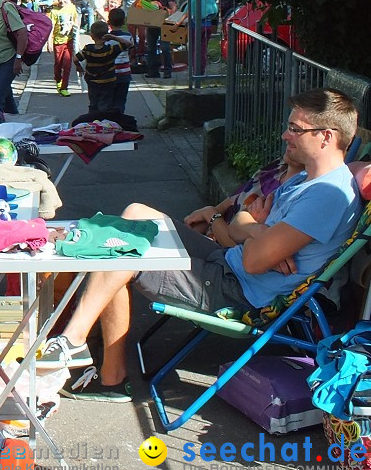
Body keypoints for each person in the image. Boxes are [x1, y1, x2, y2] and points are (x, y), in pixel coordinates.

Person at [37, 89, 363, 403]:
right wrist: (259, 233)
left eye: (295, 129)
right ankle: (84, 337)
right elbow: (240, 225)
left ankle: (90, 356)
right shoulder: (303, 180)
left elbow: (251, 257)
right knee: (138, 213)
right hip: (227, 263)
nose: (285, 135)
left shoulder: (326, 196)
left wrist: (254, 234)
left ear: (326, 137)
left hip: (238, 292)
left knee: (121, 251)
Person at [74, 21, 122, 114]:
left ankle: (92, 120)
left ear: (91, 36)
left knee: (93, 102)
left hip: (92, 81)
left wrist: (78, 67)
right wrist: (113, 37)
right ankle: (103, 121)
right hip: (108, 81)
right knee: (106, 103)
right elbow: (128, 43)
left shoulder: (88, 49)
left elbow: (75, 59)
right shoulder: (111, 49)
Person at [143, 0, 177, 79]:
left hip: (163, 24)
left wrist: (170, 15)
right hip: (152, 24)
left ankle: (167, 71)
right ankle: (153, 71)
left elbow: (173, 6)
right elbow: (140, 3)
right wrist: (151, 7)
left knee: (165, 47)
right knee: (150, 48)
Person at [50, 0, 79, 97]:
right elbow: (51, 27)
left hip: (69, 40)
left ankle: (64, 87)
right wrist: (49, 42)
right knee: (58, 64)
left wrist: (76, 32)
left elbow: (76, 20)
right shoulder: (54, 11)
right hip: (58, 41)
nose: (61, 0)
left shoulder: (72, 8)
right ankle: (58, 79)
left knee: (67, 64)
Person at [106, 8, 134, 114]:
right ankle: (119, 119)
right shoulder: (128, 37)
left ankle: (108, 121)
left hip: (110, 73)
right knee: (121, 100)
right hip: (124, 73)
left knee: (109, 99)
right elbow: (132, 51)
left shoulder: (106, 38)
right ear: (124, 22)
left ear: (109, 22)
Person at [121, 0, 148, 66]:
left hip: (141, 12)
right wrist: (126, 13)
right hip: (131, 12)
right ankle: (132, 56)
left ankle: (141, 54)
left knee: (142, 35)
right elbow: (124, 1)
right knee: (132, 36)